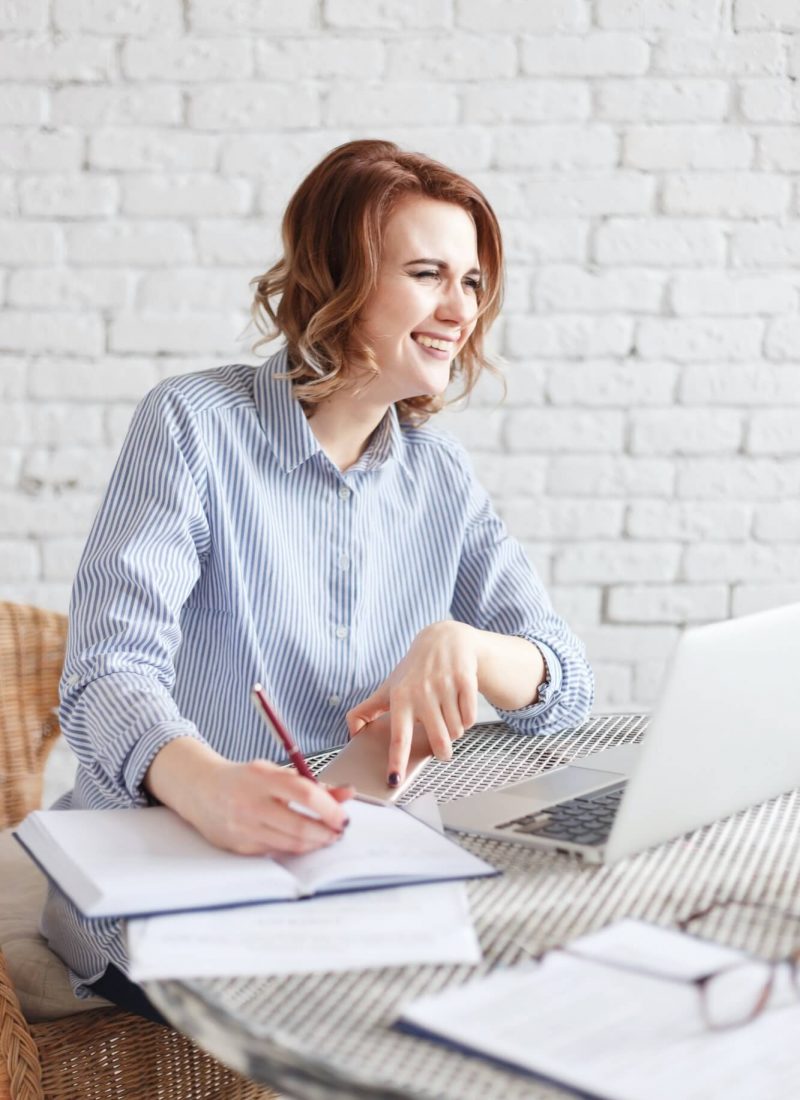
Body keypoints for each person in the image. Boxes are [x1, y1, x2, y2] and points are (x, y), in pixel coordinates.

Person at [42, 139, 594, 1022]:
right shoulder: (192, 425)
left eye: (473, 282)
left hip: (360, 871)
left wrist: (468, 646)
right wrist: (210, 786)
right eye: (427, 274)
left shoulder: (438, 474)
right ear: (340, 280)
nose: (460, 309)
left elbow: (564, 682)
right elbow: (105, 675)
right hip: (174, 872)